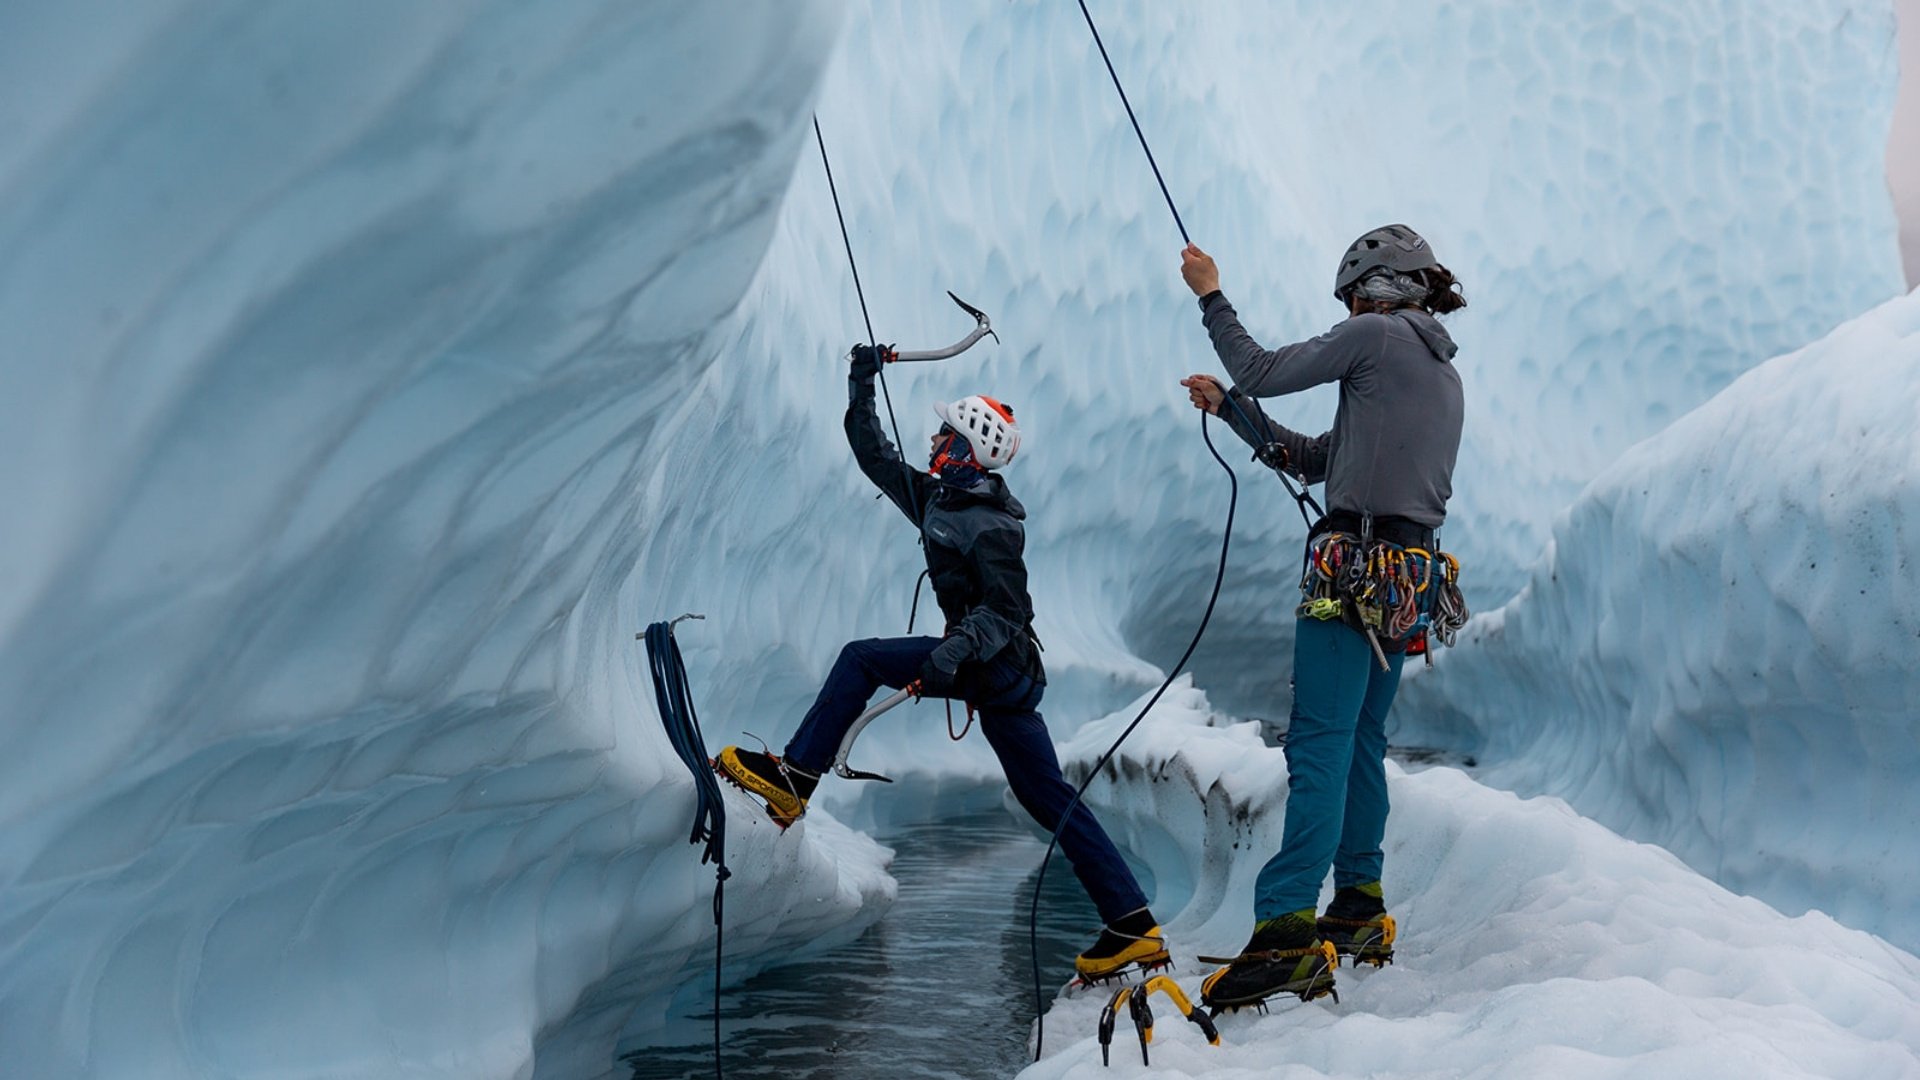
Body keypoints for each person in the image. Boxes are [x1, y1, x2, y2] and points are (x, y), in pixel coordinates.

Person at [714, 342, 1168, 983]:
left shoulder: (991, 526)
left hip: (998, 667)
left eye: (945, 433)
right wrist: (861, 382)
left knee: (861, 660)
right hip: (993, 678)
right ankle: (1134, 926)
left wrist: (952, 654)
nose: (933, 440)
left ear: (967, 447)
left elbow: (1006, 613)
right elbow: (876, 458)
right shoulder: (939, 500)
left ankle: (794, 782)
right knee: (1051, 801)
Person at [1175, 224, 1467, 1010]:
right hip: (1408, 578)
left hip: (1354, 573)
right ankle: (1360, 907)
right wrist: (1234, 414)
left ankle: (1286, 933)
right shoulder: (1439, 372)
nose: (1348, 308)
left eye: (1352, 295)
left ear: (1376, 288)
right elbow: (1318, 457)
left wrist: (1211, 294)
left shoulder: (1374, 337)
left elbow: (1263, 369)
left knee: (1320, 743)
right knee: (1362, 741)